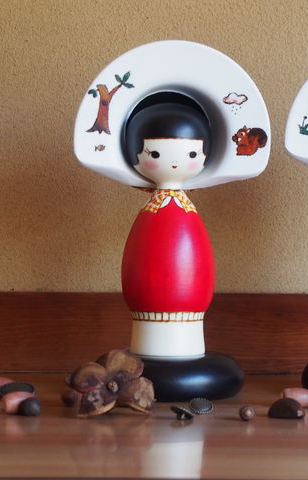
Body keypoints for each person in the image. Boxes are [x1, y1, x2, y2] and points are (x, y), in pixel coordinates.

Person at [121, 101, 215, 357]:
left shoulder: (183, 211)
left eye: (192, 155)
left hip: (192, 311)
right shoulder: (154, 211)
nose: (174, 163)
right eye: (155, 154)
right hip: (144, 308)